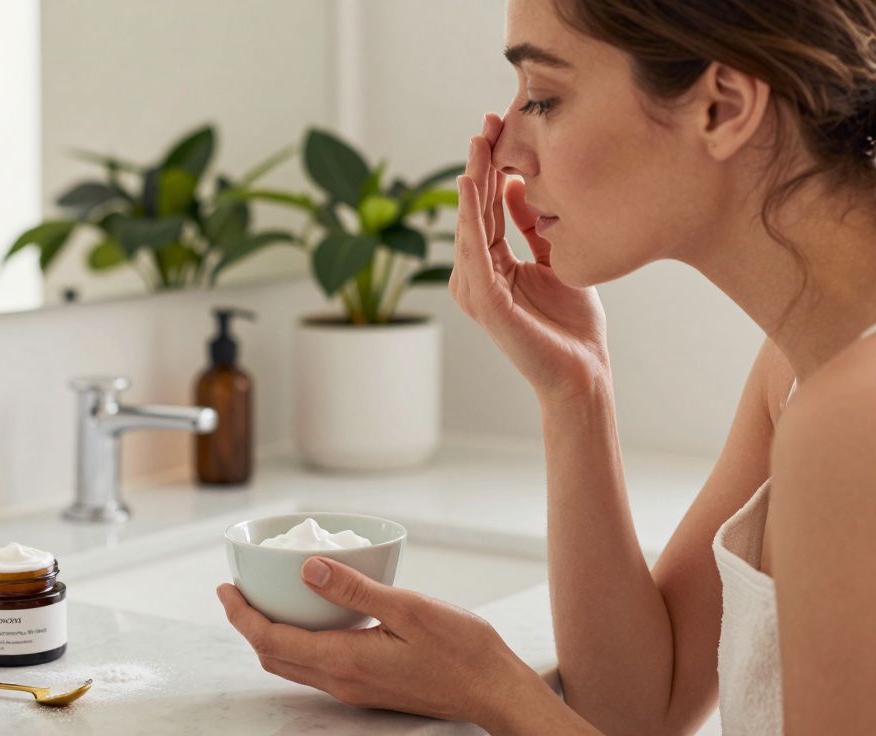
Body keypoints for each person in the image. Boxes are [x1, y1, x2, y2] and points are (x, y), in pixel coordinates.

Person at [217, 0, 876, 732]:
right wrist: (575, 389)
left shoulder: (853, 417)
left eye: (542, 97)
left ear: (722, 108)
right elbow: (640, 710)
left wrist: (492, 689)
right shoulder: (796, 372)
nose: (504, 149)